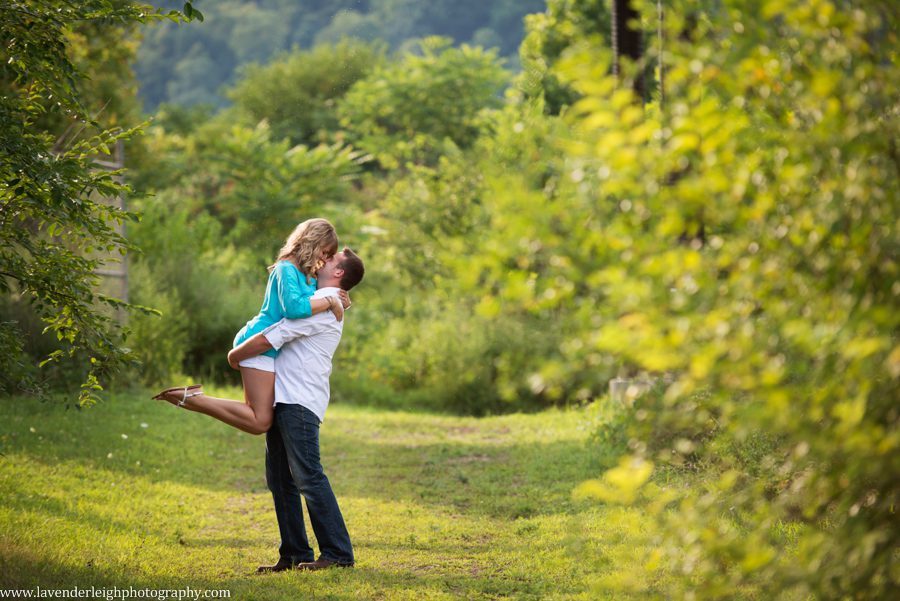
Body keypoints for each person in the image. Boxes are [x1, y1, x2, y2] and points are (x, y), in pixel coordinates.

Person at [228, 247, 365, 572]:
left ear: (339, 273)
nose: (322, 261)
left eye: (330, 260)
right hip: (284, 397)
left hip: (299, 401)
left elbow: (277, 334)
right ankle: (293, 553)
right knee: (279, 479)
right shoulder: (320, 298)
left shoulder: (325, 305)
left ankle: (338, 554)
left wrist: (234, 355)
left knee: (308, 476)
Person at [152, 218, 349, 434]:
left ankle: (192, 397)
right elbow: (294, 309)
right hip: (259, 340)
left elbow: (316, 300)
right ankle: (192, 398)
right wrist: (330, 302)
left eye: (330, 256)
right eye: (326, 252)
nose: (325, 258)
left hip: (270, 346)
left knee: (262, 417)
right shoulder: (286, 269)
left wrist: (339, 299)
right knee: (259, 422)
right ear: (313, 241)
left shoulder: (304, 273)